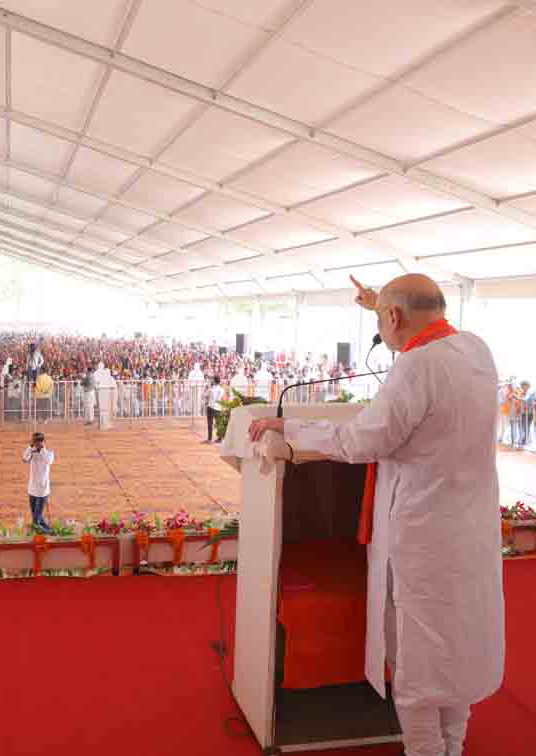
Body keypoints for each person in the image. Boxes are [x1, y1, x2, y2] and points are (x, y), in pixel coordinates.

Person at [249, 273, 503, 756]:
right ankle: (454, 745)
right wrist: (382, 310)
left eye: (385, 317)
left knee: (420, 658)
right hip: (470, 529)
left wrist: (292, 427)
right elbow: (423, 355)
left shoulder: (413, 368)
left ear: (394, 317)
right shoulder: (476, 350)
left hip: (424, 533)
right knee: (458, 643)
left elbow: (361, 440)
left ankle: (427, 750)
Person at [22, 431, 55, 535]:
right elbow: (24, 458)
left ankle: (43, 535)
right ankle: (50, 531)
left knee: (36, 519)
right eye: (33, 441)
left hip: (42, 491)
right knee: (36, 517)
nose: (35, 443)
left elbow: (48, 461)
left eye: (37, 441)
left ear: (42, 442)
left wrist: (41, 450)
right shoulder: (31, 451)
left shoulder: (49, 453)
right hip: (32, 489)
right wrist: (30, 447)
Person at [92, 361, 116, 429]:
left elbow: (94, 383)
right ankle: (104, 424)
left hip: (99, 391)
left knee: (100, 409)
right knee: (104, 409)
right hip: (105, 391)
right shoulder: (106, 373)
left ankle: (101, 424)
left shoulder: (96, 373)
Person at [205, 376, 223, 444]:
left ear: (214, 381)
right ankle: (219, 438)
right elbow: (218, 399)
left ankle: (210, 439)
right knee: (218, 423)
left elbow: (205, 395)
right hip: (218, 407)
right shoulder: (221, 389)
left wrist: (209, 387)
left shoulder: (211, 389)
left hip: (211, 406)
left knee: (210, 423)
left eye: (212, 380)